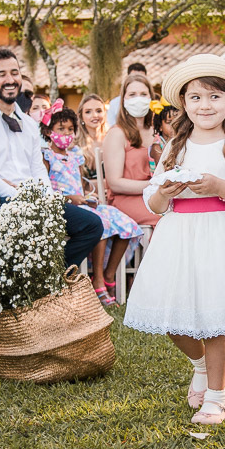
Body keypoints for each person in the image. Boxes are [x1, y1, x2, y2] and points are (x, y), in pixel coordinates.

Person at [125, 55, 225, 425]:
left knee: (213, 320)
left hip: (221, 234)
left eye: (213, 97)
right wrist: (167, 191)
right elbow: (153, 200)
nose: (204, 105)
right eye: (195, 98)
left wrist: (221, 187)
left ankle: (217, 397)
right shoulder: (175, 147)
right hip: (179, 235)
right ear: (184, 104)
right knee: (171, 317)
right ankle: (198, 365)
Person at [0, 48, 104, 269]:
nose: (10, 80)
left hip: (35, 201)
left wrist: (44, 200)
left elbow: (38, 171)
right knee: (32, 228)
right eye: (1, 74)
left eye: (14, 73)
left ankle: (51, 276)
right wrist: (23, 200)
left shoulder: (28, 123)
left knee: (92, 225)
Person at [40, 104, 142, 306]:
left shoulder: (75, 155)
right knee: (99, 223)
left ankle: (108, 274)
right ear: (48, 131)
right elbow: (46, 190)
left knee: (128, 224)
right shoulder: (46, 157)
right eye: (61, 129)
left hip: (83, 204)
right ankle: (97, 283)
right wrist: (71, 198)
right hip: (64, 206)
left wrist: (87, 196)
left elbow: (79, 184)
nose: (66, 134)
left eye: (70, 129)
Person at [102, 72, 161, 229]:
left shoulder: (158, 131)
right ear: (124, 100)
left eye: (143, 94)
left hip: (157, 195)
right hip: (126, 199)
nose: (138, 99)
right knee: (165, 219)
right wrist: (153, 185)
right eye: (132, 95)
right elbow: (115, 183)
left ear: (151, 98)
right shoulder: (117, 134)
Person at [75, 92, 107, 185]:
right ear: (81, 116)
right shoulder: (75, 144)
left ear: (104, 113)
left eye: (99, 111)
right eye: (88, 112)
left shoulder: (112, 141)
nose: (95, 115)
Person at [108, 62, 148, 127]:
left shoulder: (153, 103)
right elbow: (110, 125)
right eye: (133, 77)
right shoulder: (115, 103)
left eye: (141, 78)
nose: (137, 81)